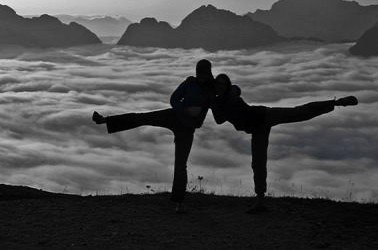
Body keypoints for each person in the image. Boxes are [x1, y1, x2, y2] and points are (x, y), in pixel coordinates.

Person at [212, 73, 358, 214]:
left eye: (223, 84)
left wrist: (221, 98)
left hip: (265, 115)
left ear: (227, 85)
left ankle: (336, 102)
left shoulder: (230, 95)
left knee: (299, 112)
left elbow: (235, 91)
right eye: (218, 84)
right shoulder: (219, 102)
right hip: (257, 130)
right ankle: (260, 201)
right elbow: (219, 120)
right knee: (258, 163)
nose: (221, 86)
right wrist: (213, 102)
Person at [92, 59, 215, 212]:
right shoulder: (189, 83)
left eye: (203, 74)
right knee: (143, 117)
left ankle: (179, 202)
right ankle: (105, 120)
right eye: (199, 74)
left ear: (209, 74)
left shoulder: (212, 89)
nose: (201, 77)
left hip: (187, 129)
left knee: (180, 165)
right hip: (174, 116)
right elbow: (173, 99)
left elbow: (221, 99)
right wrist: (183, 109)